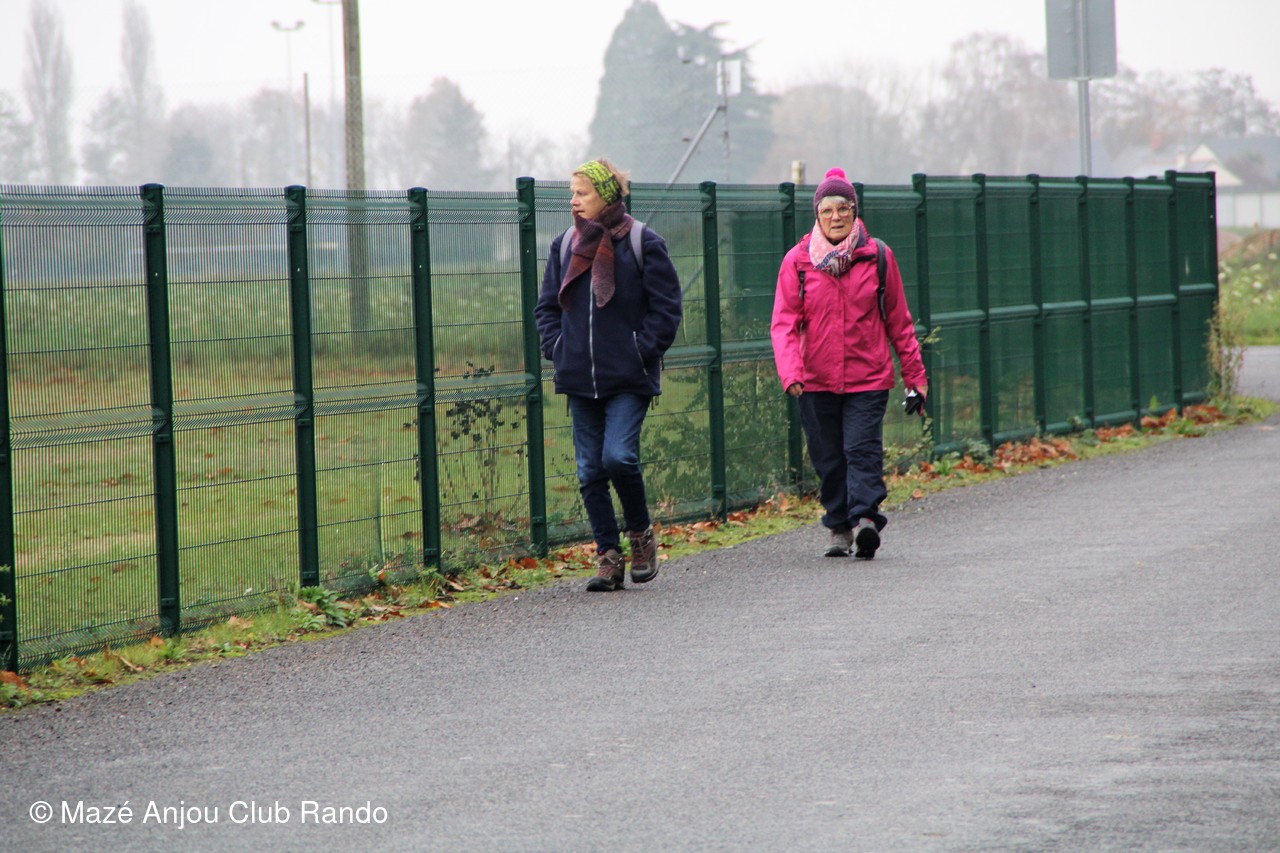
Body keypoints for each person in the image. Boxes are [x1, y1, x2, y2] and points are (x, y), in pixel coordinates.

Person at [535, 159, 683, 591]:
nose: (573, 200)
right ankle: (608, 556)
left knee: (618, 457)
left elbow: (667, 309)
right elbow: (546, 308)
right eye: (572, 192)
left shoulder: (642, 242)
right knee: (589, 471)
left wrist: (640, 351)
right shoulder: (565, 246)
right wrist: (558, 349)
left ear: (606, 196)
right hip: (579, 377)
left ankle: (640, 535)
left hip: (629, 378)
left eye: (581, 193)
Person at [770, 167, 928, 560]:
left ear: (855, 211)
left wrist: (915, 377)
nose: (836, 216)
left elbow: (899, 322)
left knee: (861, 450)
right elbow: (784, 324)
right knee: (828, 458)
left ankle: (866, 520)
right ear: (817, 215)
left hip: (867, 377)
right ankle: (838, 526)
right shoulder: (797, 262)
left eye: (843, 208)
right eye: (827, 210)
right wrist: (791, 373)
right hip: (815, 380)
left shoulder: (878, 257)